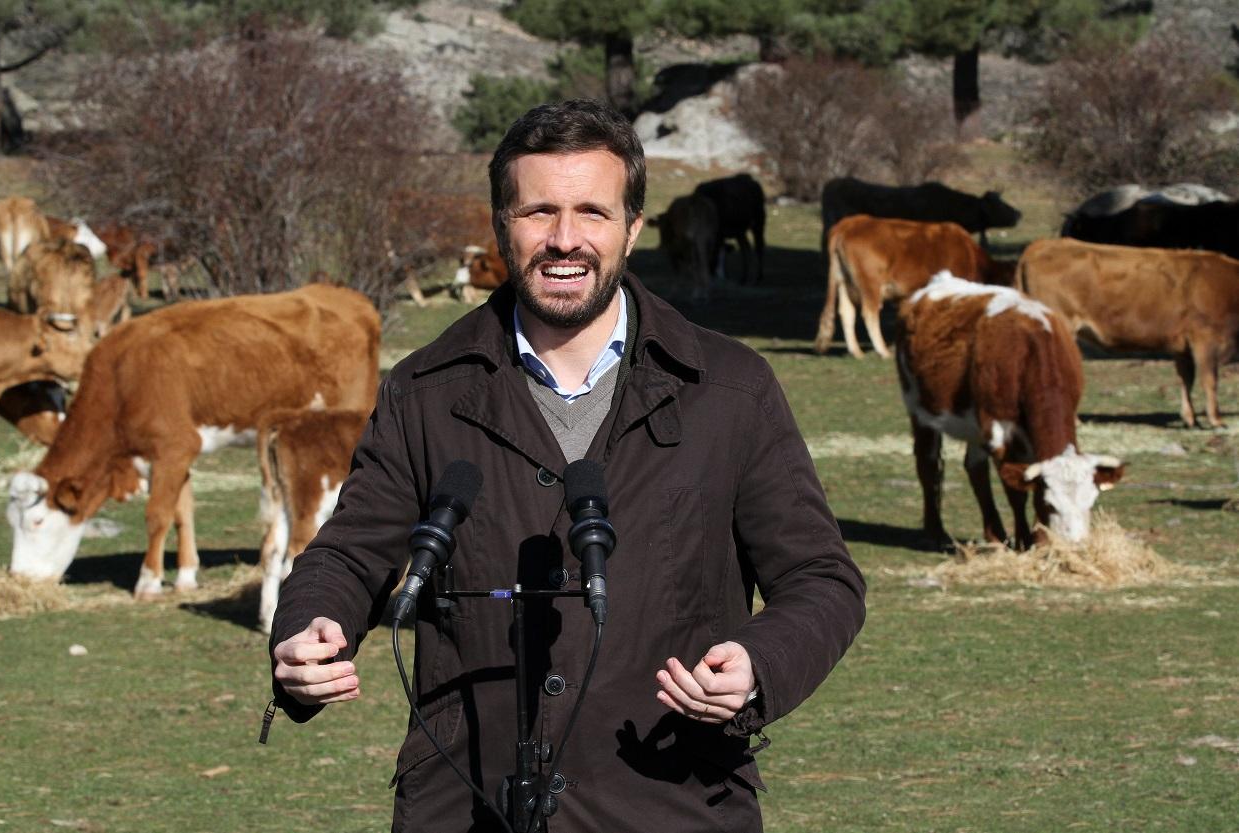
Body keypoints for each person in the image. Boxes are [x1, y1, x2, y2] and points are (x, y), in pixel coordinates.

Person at [269, 99, 865, 832]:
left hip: (671, 800)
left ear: (634, 229)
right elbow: (349, 553)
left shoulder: (731, 389)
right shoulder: (424, 391)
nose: (564, 239)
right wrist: (309, 624)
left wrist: (758, 662)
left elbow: (822, 580)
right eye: (538, 212)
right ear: (500, 224)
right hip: (468, 803)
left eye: (592, 212)